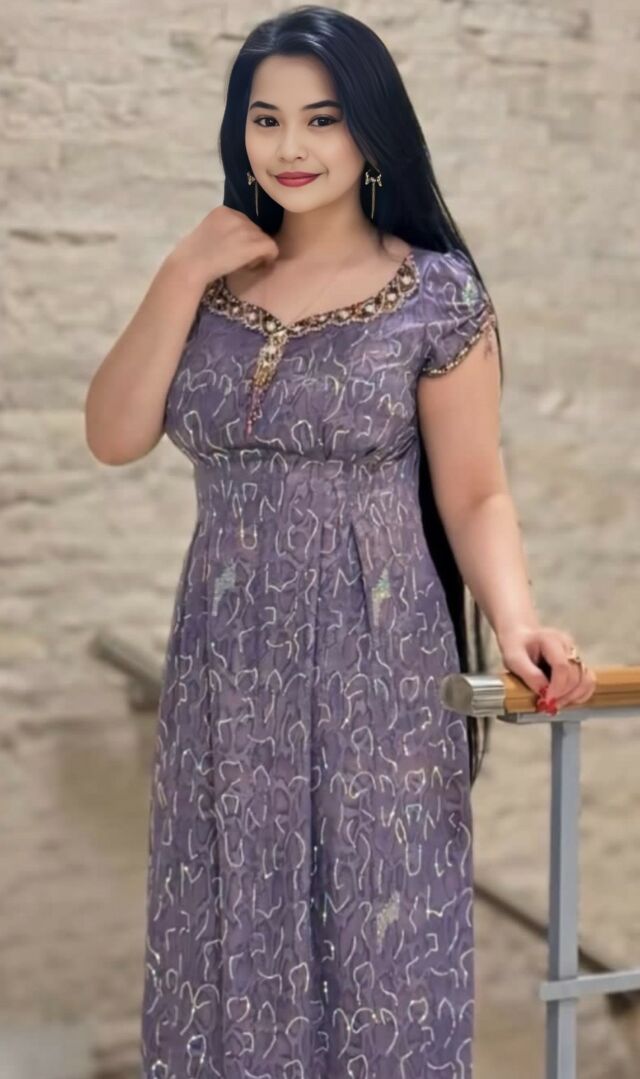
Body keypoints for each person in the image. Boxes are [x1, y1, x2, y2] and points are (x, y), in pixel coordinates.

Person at [84, 6, 596, 1076]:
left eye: (322, 119)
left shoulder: (435, 294)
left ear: (370, 128)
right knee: (225, 930)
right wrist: (182, 267)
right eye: (265, 119)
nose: (292, 146)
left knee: (381, 936)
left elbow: (475, 493)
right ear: (238, 132)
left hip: (379, 660)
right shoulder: (210, 287)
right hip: (226, 666)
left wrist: (517, 622)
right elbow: (114, 432)